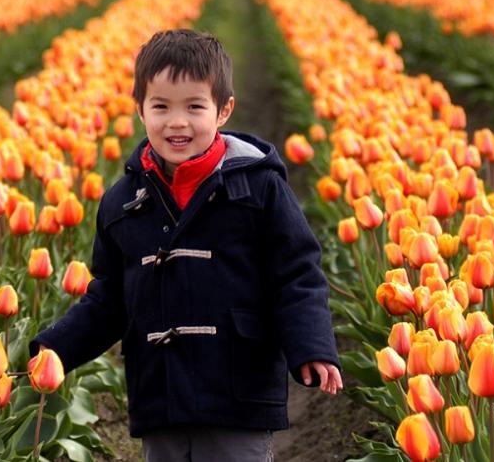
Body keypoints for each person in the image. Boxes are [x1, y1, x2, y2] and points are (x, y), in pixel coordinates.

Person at [32, 29, 342, 461]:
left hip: (238, 389)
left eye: (195, 106)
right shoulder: (123, 204)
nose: (177, 122)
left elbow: (296, 274)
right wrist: (56, 349)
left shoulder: (259, 188)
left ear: (223, 111)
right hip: (160, 393)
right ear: (140, 110)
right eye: (161, 107)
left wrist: (311, 347)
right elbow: (108, 299)